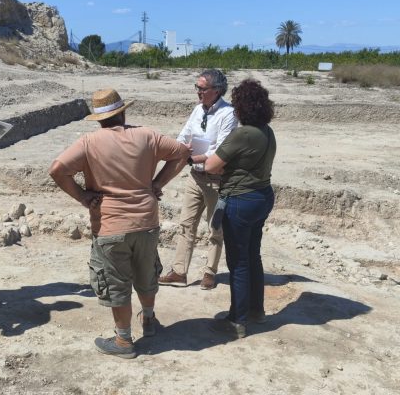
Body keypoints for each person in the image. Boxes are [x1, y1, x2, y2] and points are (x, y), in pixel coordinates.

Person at [49, 88, 190, 359]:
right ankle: (148, 319)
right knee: (146, 274)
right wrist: (157, 183)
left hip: (110, 224)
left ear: (99, 119)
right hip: (146, 222)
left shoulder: (89, 143)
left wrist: (82, 196)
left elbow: (57, 170)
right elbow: (182, 153)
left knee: (117, 283)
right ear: (123, 113)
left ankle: (124, 341)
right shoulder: (147, 135)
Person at [204, 79, 276, 339]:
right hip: (262, 196)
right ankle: (256, 311)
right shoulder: (267, 131)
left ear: (242, 107)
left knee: (238, 262)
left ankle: (237, 320)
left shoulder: (242, 134)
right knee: (253, 256)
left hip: (240, 200)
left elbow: (211, 166)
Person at [158, 69, 238, 290]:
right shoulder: (197, 110)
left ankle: (209, 272)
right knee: (186, 224)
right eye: (197, 88)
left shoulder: (228, 114)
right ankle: (179, 272)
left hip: (216, 179)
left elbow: (220, 150)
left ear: (217, 90)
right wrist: (176, 150)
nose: (198, 92)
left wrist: (191, 157)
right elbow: (183, 137)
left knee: (215, 227)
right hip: (195, 176)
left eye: (202, 88)